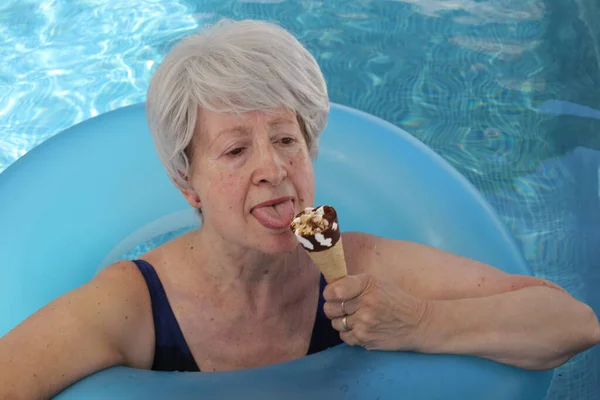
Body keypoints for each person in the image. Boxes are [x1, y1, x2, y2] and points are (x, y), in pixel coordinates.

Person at [1, 18, 599, 400]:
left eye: (287, 139)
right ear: (189, 185)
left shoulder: (360, 264)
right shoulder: (134, 306)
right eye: (236, 150)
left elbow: (573, 323)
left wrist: (417, 323)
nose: (274, 168)